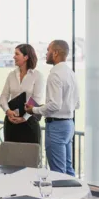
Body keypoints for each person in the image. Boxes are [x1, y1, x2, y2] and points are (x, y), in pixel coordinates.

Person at [25, 40, 79, 177]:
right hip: (69, 124)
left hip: (56, 127)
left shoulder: (55, 74)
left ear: (55, 53)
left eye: (48, 50)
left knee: (58, 173)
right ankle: (76, 198)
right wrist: (46, 107)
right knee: (68, 169)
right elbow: (76, 104)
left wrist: (34, 110)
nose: (46, 53)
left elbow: (55, 105)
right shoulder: (70, 73)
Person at [0, 44, 44, 144]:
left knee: (30, 157)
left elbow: (36, 100)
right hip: (11, 122)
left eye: (17, 54)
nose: (14, 56)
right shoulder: (11, 75)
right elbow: (4, 96)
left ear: (26, 57)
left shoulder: (37, 76)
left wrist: (24, 118)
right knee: (11, 156)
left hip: (29, 122)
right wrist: (8, 111)